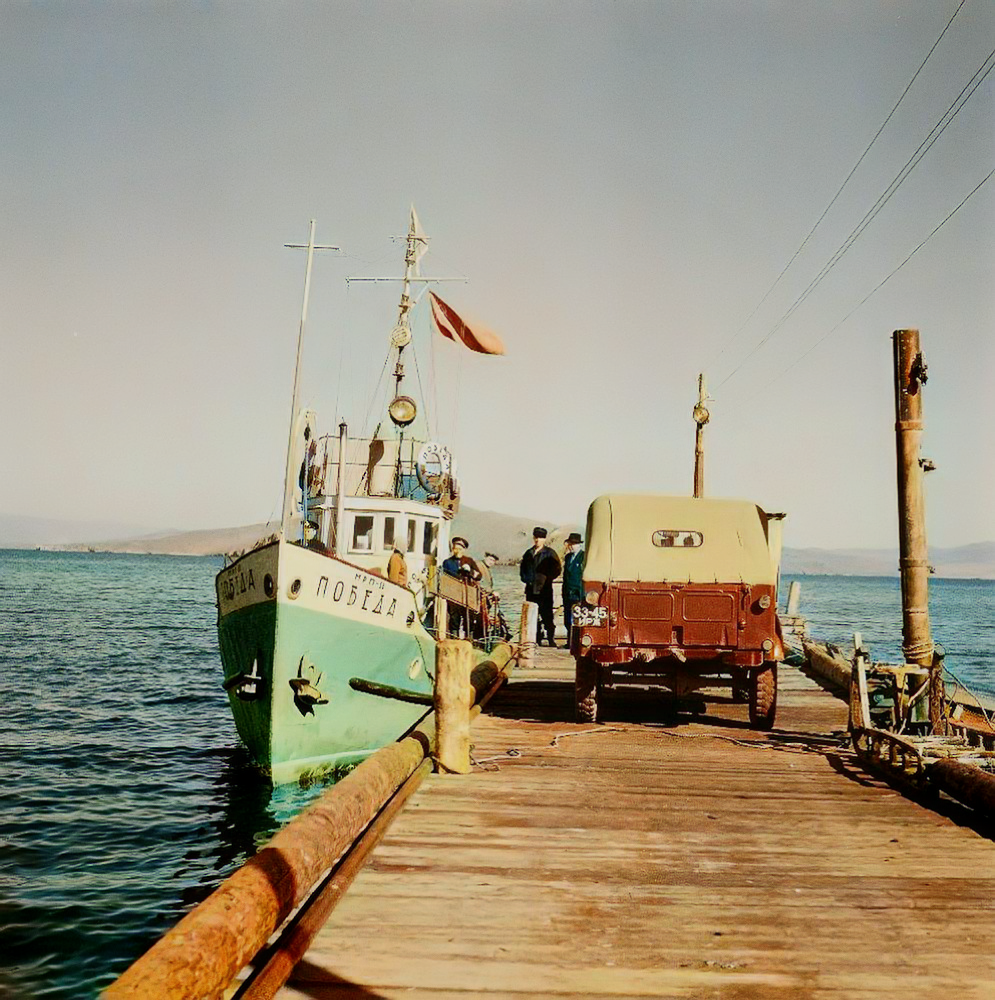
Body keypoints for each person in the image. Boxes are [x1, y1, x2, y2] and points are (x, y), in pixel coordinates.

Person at [520, 527, 561, 647]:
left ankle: (550, 639)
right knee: (532, 617)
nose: (538, 540)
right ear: (533, 538)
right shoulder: (528, 553)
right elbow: (523, 569)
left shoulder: (550, 553)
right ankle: (536, 639)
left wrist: (547, 579)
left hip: (545, 590)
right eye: (536, 538)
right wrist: (526, 579)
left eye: (541, 538)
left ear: (545, 539)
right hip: (530, 590)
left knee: (547, 615)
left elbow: (557, 569)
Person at [442, 536, 481, 637]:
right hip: (453, 595)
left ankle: (469, 640)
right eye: (455, 548)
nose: (457, 551)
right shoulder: (447, 562)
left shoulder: (469, 561)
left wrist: (471, 571)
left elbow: (479, 576)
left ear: (464, 550)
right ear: (452, 549)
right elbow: (445, 577)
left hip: (468, 594)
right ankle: (454, 639)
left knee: (469, 619)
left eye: (460, 549)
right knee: (454, 619)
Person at [562, 532, 585, 638]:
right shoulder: (568, 558)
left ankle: (575, 640)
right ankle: (569, 640)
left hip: (577, 593)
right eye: (570, 544)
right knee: (567, 619)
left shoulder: (583, 557)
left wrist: (581, 593)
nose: (571, 546)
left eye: (574, 544)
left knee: (576, 619)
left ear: (579, 545)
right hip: (567, 593)